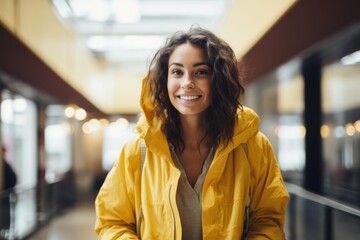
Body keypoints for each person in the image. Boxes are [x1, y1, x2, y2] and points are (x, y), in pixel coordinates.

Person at [95, 27, 289, 239]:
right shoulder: (138, 151)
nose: (187, 83)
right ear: (164, 80)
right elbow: (112, 222)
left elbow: (268, 221)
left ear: (218, 79)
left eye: (201, 72)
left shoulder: (252, 146)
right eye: (177, 72)